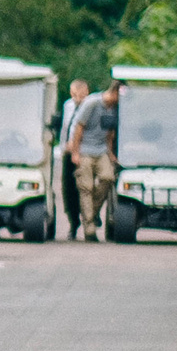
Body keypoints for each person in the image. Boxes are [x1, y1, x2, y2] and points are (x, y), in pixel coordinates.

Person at [66, 80, 121, 238]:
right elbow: (79, 127)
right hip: (85, 151)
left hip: (101, 150)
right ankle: (89, 228)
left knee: (107, 178)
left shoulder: (113, 109)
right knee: (86, 187)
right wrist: (76, 152)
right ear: (115, 92)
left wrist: (110, 153)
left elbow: (110, 132)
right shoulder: (92, 103)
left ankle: (90, 214)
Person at [56, 79, 92, 240]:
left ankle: (90, 218)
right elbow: (66, 127)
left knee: (84, 188)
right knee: (68, 189)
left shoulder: (91, 106)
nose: (77, 99)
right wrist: (64, 146)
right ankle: (73, 222)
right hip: (68, 152)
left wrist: (78, 145)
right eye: (74, 95)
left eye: (81, 95)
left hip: (85, 151)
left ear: (87, 93)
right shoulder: (68, 106)